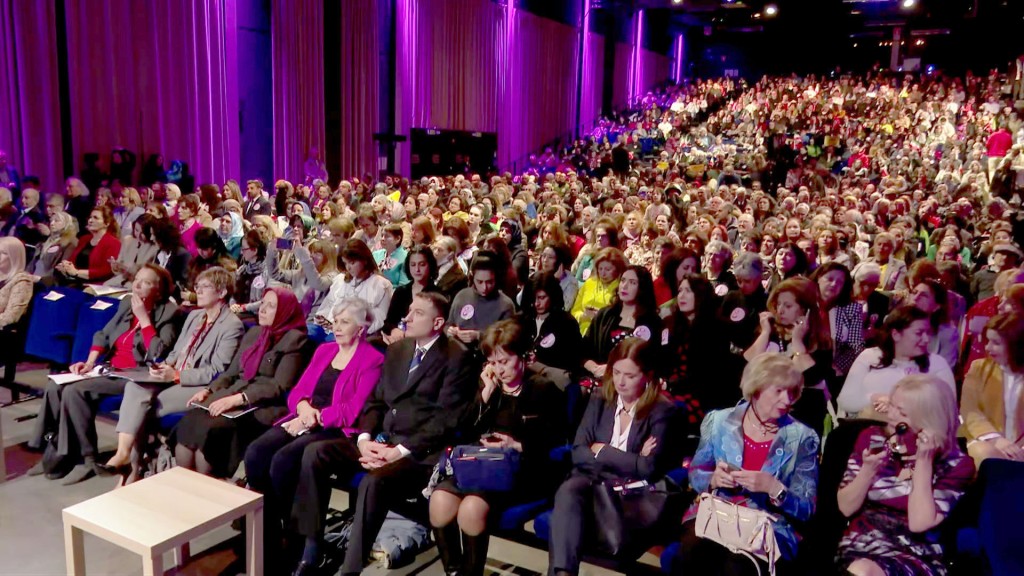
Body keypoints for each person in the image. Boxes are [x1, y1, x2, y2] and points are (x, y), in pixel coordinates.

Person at [292, 291, 476, 576]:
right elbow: (376, 402)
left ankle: (350, 568)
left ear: (438, 322)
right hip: (380, 440)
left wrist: (398, 452)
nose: (407, 317)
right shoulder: (399, 350)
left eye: (418, 313)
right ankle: (312, 548)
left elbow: (446, 422)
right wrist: (364, 440)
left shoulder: (457, 358)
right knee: (316, 452)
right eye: (409, 311)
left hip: (419, 453)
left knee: (373, 482)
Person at [243, 297, 384, 572]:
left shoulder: (372, 359)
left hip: (335, 429)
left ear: (361, 328)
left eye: (344, 322)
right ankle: (271, 526)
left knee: (284, 460)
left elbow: (354, 409)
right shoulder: (325, 350)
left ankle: (302, 540)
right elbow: (297, 390)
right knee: (256, 452)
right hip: (304, 417)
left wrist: (316, 417)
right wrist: (303, 407)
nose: (337, 326)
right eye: (335, 320)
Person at [428, 319, 567, 576]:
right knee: (439, 501)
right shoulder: (489, 387)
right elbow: (460, 429)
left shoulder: (543, 389)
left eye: (504, 361)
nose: (498, 369)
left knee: (471, 509)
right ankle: (454, 572)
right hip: (480, 464)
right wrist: (485, 394)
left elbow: (555, 444)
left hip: (520, 470)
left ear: (523, 356)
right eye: (492, 362)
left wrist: (516, 444)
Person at [28, 264, 180, 483]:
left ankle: (86, 458)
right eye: (136, 279)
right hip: (108, 368)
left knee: (75, 391)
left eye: (146, 282)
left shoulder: (169, 312)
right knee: (55, 386)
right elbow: (103, 334)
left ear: (160, 289)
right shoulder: (127, 303)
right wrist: (89, 362)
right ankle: (52, 453)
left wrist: (144, 320)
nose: (137, 285)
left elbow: (158, 352)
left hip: (135, 376)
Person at [670, 354, 820, 576]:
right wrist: (712, 479)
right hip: (717, 515)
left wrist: (774, 488)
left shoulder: (802, 438)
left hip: (767, 526)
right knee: (690, 554)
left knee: (736, 566)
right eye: (779, 391)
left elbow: (807, 508)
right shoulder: (719, 421)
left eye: (792, 392)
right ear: (757, 388)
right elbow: (696, 473)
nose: (787, 400)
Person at [548, 338, 680, 576]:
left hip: (628, 494)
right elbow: (578, 451)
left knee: (570, 503)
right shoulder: (600, 397)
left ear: (647, 375)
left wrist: (602, 450)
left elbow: (649, 469)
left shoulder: (662, 411)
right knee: (569, 490)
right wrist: (633, 460)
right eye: (616, 372)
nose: (620, 381)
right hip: (589, 481)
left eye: (629, 375)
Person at [100, 267, 244, 483]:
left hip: (197, 384)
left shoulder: (232, 325)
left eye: (205, 287)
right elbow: (177, 352)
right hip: (173, 374)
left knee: (147, 407)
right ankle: (124, 456)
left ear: (222, 293)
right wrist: (163, 366)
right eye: (197, 286)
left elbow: (216, 371)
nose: (199, 291)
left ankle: (131, 470)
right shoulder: (195, 315)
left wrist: (176, 375)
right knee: (134, 387)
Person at [836, 374, 974, 576]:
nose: (891, 415)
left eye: (901, 412)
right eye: (891, 406)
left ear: (928, 420)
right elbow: (846, 508)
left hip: (917, 550)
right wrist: (867, 471)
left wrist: (924, 460)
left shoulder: (956, 465)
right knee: (862, 569)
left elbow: (919, 523)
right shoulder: (873, 438)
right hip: (864, 541)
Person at [172, 287, 309, 479]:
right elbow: (232, 372)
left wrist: (239, 399)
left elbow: (279, 385)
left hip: (261, 406)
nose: (262, 309)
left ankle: (207, 497)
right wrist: (209, 390)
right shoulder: (254, 333)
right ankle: (184, 491)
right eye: (263, 304)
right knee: (191, 421)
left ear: (285, 311)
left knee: (213, 431)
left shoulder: (296, 341)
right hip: (232, 394)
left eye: (271, 306)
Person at [745, 277, 833, 433]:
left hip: (803, 415)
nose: (780, 311)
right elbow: (748, 365)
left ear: (805, 310)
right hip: (764, 413)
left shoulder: (820, 342)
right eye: (778, 304)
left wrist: (797, 341)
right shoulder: (769, 333)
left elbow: (812, 377)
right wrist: (765, 332)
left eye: (788, 306)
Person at [838, 306, 956, 417]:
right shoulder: (870, 356)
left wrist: (897, 404)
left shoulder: (937, 363)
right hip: (869, 428)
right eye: (919, 333)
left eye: (928, 333)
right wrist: (875, 398)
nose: (926, 339)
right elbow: (845, 401)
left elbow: (948, 409)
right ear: (896, 334)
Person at [663, 274, 732, 425]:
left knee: (665, 411)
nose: (682, 295)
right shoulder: (671, 324)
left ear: (700, 294)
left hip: (701, 395)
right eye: (680, 291)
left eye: (688, 291)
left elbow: (706, 375)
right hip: (669, 388)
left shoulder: (716, 328)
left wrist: (669, 385)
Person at [960, 312, 1024, 465]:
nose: (988, 348)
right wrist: (995, 439)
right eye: (987, 341)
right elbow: (970, 410)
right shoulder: (978, 368)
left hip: (1020, 447)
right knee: (985, 454)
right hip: (986, 441)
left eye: (996, 342)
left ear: (1016, 345)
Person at [582, 265, 662, 380]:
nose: (624, 286)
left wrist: (611, 370)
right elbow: (583, 351)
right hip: (597, 378)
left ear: (642, 288)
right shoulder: (605, 315)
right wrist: (594, 368)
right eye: (623, 280)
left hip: (632, 384)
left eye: (632, 283)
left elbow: (653, 361)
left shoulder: (652, 322)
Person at [311, 239, 394, 342]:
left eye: (352, 263)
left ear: (365, 260)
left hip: (356, 335)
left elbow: (379, 320)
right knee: (306, 332)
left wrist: (349, 329)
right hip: (329, 329)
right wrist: (323, 320)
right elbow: (327, 306)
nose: (348, 267)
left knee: (330, 342)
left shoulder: (382, 285)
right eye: (346, 263)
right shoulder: (340, 280)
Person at [812, 262, 866, 390]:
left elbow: (856, 346)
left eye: (840, 282)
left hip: (834, 372)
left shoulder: (852, 309)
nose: (834, 284)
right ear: (818, 279)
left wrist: (835, 368)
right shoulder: (804, 304)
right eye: (829, 279)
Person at [518, 272, 582, 377]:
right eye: (533, 298)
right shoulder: (522, 319)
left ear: (552, 296)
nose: (536, 303)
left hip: (553, 383)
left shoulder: (566, 323)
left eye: (542, 298)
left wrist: (540, 361)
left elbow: (572, 362)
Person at [447, 251, 516, 349]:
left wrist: (479, 336)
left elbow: (509, 339)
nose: (484, 287)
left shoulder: (506, 305)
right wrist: (450, 330)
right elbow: (448, 324)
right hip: (457, 353)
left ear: (496, 278)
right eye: (479, 282)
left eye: (489, 282)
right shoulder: (462, 295)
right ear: (472, 277)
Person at [381, 245, 438, 346]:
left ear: (430, 265)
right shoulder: (401, 291)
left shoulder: (437, 294)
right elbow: (389, 322)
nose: (417, 269)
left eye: (422, 264)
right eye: (413, 265)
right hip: (397, 341)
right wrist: (394, 330)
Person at [55, 206, 121, 285]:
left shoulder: (113, 243)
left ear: (106, 223)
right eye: (90, 217)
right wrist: (66, 266)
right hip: (76, 280)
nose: (90, 220)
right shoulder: (84, 239)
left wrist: (77, 272)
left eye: (96, 218)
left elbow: (106, 271)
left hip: (96, 285)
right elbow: (72, 260)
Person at [571, 247, 627, 336]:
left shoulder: (622, 288)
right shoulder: (589, 283)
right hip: (582, 333)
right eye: (600, 269)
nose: (603, 273)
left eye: (608, 269)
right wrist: (583, 316)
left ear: (618, 269)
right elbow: (574, 312)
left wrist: (601, 316)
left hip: (605, 335)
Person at [31, 211, 78, 284]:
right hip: (34, 277)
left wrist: (41, 279)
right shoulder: (46, 241)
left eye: (56, 221)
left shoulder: (70, 244)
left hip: (49, 283)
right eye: (51, 221)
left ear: (66, 224)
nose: (52, 223)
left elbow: (62, 269)